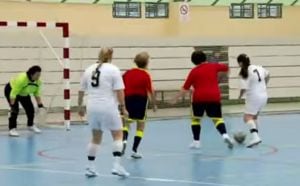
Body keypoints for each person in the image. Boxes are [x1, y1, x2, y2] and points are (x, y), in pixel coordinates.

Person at [78, 47, 130, 177]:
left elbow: (81, 90)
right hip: (108, 106)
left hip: (92, 107)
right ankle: (117, 166)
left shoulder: (89, 69)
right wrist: (123, 107)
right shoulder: (113, 69)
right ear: (111, 56)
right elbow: (119, 91)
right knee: (118, 135)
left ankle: (90, 167)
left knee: (96, 137)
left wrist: (80, 106)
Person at [171, 50, 234, 149]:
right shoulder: (214, 66)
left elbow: (185, 88)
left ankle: (196, 142)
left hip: (199, 98)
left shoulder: (194, 71)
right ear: (205, 58)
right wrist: (220, 78)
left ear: (194, 61)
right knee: (217, 119)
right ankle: (225, 135)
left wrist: (176, 98)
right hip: (214, 96)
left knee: (196, 119)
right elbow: (227, 69)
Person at [122, 52, 157, 159]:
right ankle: (134, 150)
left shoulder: (127, 73)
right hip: (141, 100)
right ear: (146, 63)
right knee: (140, 126)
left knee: (126, 124)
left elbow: (121, 87)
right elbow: (151, 91)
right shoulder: (146, 75)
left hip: (128, 99)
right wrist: (154, 104)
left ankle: (124, 142)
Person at [237, 54, 270, 148]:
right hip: (264, 96)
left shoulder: (244, 72)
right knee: (254, 117)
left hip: (253, 97)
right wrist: (264, 85)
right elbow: (268, 75)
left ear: (240, 63)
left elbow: (243, 88)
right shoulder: (258, 67)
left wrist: (239, 96)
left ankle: (255, 137)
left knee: (247, 118)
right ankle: (256, 137)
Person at [4, 65, 43, 137]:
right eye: (37, 75)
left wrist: (40, 105)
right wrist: (12, 106)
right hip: (11, 90)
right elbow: (13, 93)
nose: (39, 77)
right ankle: (12, 129)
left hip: (24, 93)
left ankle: (30, 125)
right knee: (15, 110)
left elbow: (36, 93)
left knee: (30, 109)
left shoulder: (38, 82)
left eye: (39, 75)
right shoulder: (22, 79)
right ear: (32, 74)